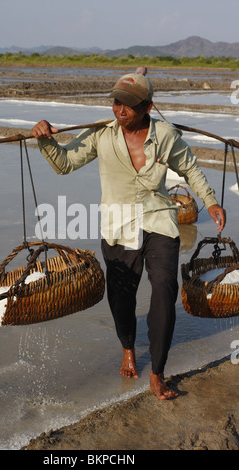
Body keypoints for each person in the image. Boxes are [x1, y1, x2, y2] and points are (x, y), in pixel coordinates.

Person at [32, 72, 226, 400]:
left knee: (165, 290)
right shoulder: (101, 135)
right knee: (121, 297)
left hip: (159, 222)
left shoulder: (165, 136)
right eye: (116, 102)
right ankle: (127, 347)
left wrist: (211, 201)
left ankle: (158, 372)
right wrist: (44, 139)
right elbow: (63, 164)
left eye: (129, 105)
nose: (119, 110)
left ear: (148, 106)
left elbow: (190, 167)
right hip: (118, 226)